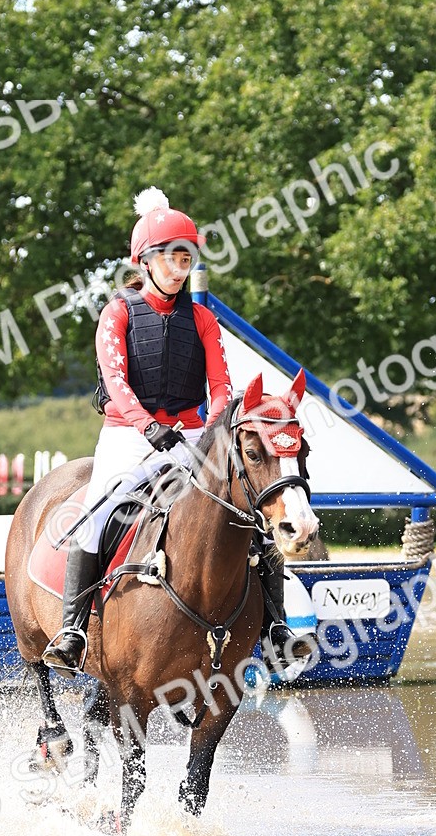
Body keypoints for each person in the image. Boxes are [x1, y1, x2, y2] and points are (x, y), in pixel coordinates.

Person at [42, 187, 308, 678]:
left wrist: (208, 434)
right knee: (99, 513)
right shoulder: (117, 313)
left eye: (185, 257)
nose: (179, 266)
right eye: (170, 257)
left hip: (187, 436)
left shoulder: (203, 320)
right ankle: (74, 628)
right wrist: (147, 427)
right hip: (127, 435)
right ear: (145, 261)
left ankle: (275, 628)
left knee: (249, 519)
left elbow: (222, 388)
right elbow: (116, 383)